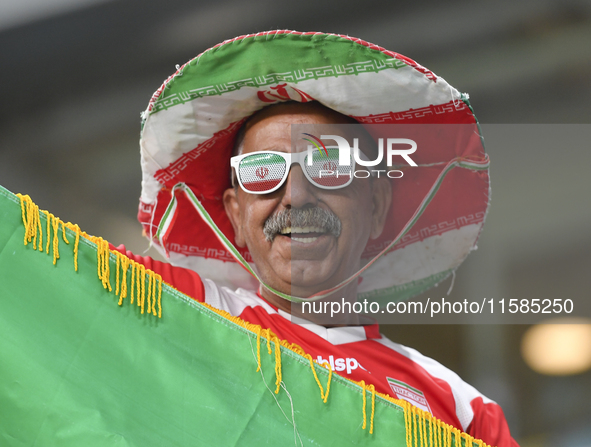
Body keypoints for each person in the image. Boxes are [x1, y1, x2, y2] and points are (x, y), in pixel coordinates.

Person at [118, 30, 518, 446]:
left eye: (329, 166)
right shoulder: (177, 313)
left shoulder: (462, 408)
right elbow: (50, 271)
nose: (295, 196)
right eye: (263, 171)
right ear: (236, 215)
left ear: (376, 205)